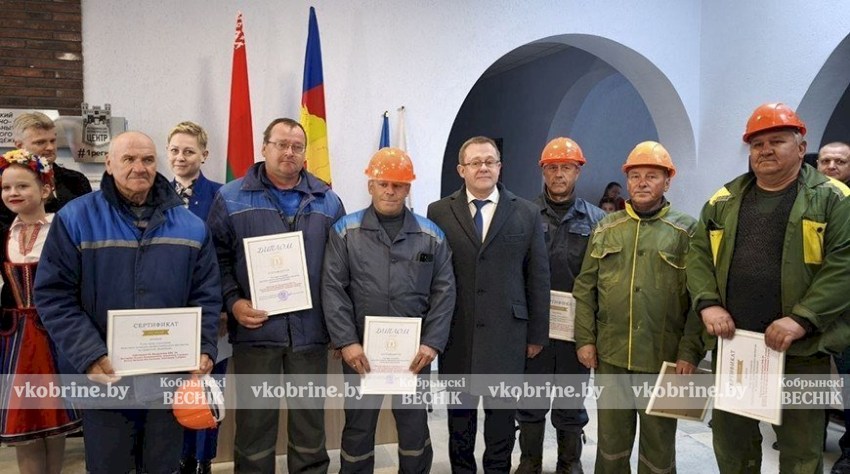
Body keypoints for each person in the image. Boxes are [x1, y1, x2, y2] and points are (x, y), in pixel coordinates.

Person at [33, 131, 222, 473]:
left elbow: (206, 294)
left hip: (169, 375)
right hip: (106, 376)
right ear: (109, 164)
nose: (140, 167)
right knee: (109, 466)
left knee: (163, 465)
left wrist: (205, 346)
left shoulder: (192, 226)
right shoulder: (75, 219)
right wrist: (89, 354)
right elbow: (53, 295)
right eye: (129, 159)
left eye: (148, 160)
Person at [687, 103, 850, 473]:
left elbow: (844, 265)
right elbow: (697, 255)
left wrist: (802, 318)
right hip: (737, 349)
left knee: (801, 451)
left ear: (801, 145)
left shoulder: (834, 199)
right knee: (732, 445)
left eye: (778, 140)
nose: (765, 150)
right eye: (757, 144)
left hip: (802, 351)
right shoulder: (723, 201)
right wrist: (708, 304)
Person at [207, 117, 345, 473]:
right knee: (254, 427)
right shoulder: (230, 196)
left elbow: (341, 270)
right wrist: (233, 302)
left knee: (310, 428)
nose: (289, 152)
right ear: (263, 147)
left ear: (304, 153)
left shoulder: (328, 201)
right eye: (281, 144)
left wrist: (339, 328)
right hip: (256, 332)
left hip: (311, 334)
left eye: (297, 146)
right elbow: (215, 261)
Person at [574, 141, 706, 474]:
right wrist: (585, 340)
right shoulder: (606, 227)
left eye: (652, 175)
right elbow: (585, 288)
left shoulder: (687, 231)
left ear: (668, 181)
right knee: (611, 445)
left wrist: (690, 352)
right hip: (611, 357)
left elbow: (701, 298)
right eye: (635, 176)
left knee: (659, 448)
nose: (642, 183)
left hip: (666, 360)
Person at [322, 147, 456, 473]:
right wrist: (346, 341)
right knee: (358, 426)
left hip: (414, 355)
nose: (390, 190)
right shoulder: (345, 231)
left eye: (398, 184)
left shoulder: (431, 236)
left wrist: (432, 343)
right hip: (361, 352)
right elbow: (333, 288)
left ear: (408, 188)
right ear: (371, 185)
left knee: (413, 427)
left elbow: (444, 291)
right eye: (383, 183)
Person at [427, 136, 550, 473]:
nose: (483, 167)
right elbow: (434, 277)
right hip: (457, 333)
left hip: (507, 336)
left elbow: (538, 276)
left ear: (499, 166)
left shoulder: (525, 212)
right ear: (461, 169)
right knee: (460, 422)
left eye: (490, 161)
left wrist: (537, 334)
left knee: (500, 423)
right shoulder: (438, 212)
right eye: (475, 162)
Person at [515, 137, 606, 474]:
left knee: (570, 402)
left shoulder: (597, 220)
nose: (558, 174)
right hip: (534, 329)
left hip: (575, 331)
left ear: (578, 171)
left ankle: (570, 462)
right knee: (531, 402)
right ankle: (529, 461)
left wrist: (591, 335)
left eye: (565, 167)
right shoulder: (523, 214)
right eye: (552, 167)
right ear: (543, 171)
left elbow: (600, 281)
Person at [0, 150, 80, 474]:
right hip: (15, 337)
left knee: (53, 417)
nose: (13, 193)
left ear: (45, 189)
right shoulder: (4, 234)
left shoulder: (62, 230)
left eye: (23, 186)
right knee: (24, 424)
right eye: (6, 188)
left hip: (54, 335)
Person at [166, 121, 226, 474]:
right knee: (175, 385)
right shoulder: (156, 193)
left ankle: (204, 460)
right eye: (174, 150)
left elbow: (227, 253)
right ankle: (179, 457)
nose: (180, 157)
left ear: (204, 154)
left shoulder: (222, 194)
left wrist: (221, 308)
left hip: (209, 308)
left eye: (188, 151)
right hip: (169, 311)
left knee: (209, 384)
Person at [816, 140, 850, 474]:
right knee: (814, 381)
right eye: (825, 161)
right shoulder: (807, 204)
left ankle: (848, 451)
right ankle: (814, 436)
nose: (831, 167)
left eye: (839, 161)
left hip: (845, 317)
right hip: (810, 315)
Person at [1, 112, 92, 226]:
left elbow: (87, 225)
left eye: (53, 141)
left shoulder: (77, 181)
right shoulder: (4, 183)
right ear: (19, 146)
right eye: (40, 142)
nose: (50, 147)